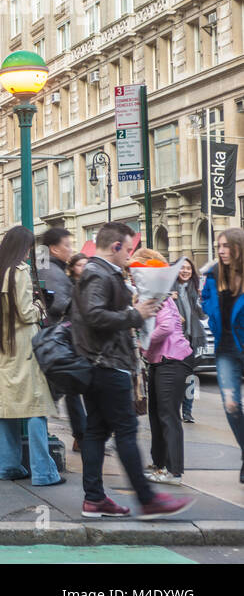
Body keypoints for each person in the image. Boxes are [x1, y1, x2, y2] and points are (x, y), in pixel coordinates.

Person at [71, 222, 194, 519]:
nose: (129, 256)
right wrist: (134, 314)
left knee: (97, 432)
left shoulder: (98, 273)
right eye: (127, 249)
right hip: (107, 365)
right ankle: (147, 499)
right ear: (115, 246)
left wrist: (134, 311)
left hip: (100, 363)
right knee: (126, 431)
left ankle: (95, 499)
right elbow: (95, 315)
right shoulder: (98, 273)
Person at [0, 227, 64, 486]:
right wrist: (41, 305)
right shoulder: (20, 272)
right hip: (23, 347)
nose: (28, 253)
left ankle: (7, 466)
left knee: (7, 409)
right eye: (28, 248)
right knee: (35, 407)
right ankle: (43, 472)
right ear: (21, 248)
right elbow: (26, 313)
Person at [132, 247, 192, 486]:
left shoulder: (161, 294)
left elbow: (166, 327)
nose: (133, 276)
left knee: (168, 416)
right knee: (157, 415)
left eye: (136, 270)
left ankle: (174, 471)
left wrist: (142, 344)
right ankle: (159, 464)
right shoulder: (152, 294)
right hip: (160, 361)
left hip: (172, 360)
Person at [38, 227, 87, 452]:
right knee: (59, 389)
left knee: (70, 388)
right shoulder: (50, 270)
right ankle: (80, 436)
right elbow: (58, 303)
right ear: (54, 248)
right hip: (55, 338)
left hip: (57, 338)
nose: (70, 249)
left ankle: (82, 435)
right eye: (67, 245)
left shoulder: (52, 267)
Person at [202, 227, 244, 482]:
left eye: (226, 245)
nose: (221, 250)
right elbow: (207, 302)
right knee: (230, 405)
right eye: (219, 246)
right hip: (226, 348)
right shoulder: (213, 275)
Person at [175, 259, 207, 423]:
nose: (186, 271)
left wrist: (202, 302)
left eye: (188, 268)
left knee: (191, 377)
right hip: (174, 341)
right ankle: (175, 409)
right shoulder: (169, 290)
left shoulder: (193, 290)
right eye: (182, 268)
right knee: (176, 377)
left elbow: (202, 315)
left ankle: (187, 411)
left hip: (192, 339)